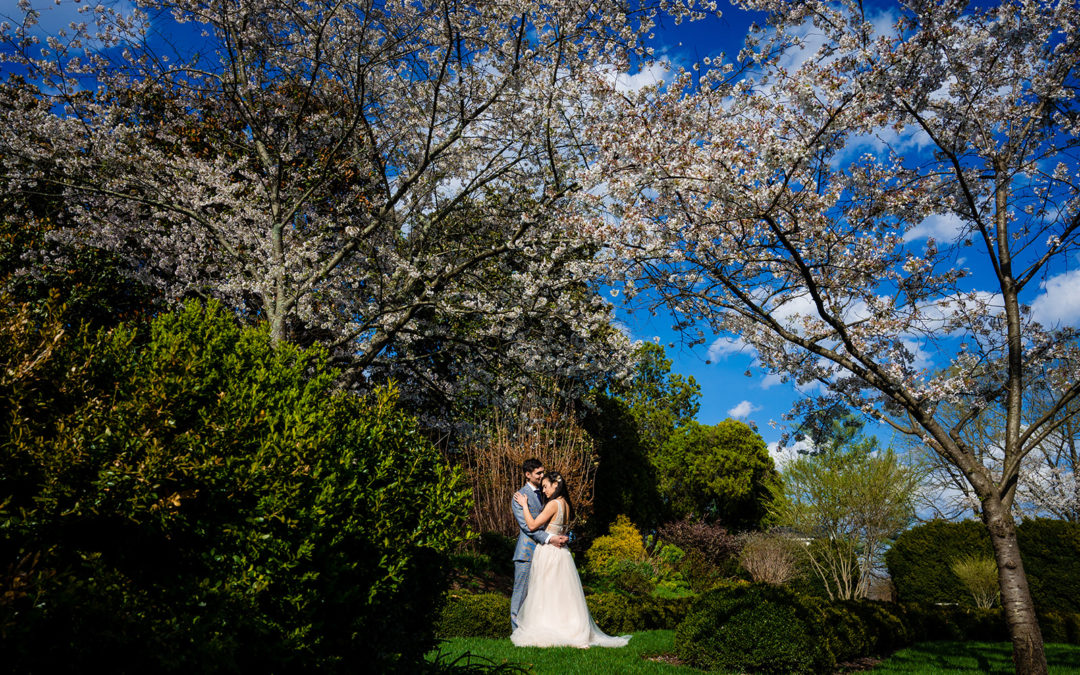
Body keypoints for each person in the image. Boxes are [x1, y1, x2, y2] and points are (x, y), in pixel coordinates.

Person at [510, 471, 631, 648]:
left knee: (546, 592)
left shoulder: (553, 504)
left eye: (545, 486)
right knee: (562, 593)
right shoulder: (566, 504)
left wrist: (524, 505)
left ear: (555, 484)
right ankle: (567, 627)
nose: (543, 491)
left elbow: (532, 525)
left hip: (550, 552)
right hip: (563, 554)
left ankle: (550, 628)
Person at [510, 459, 568, 630]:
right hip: (527, 553)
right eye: (538, 473)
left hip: (546, 554)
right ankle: (517, 633)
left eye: (543, 472)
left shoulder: (547, 493)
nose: (542, 476)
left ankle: (537, 631)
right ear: (528, 475)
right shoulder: (519, 497)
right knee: (521, 595)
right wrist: (550, 538)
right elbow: (529, 528)